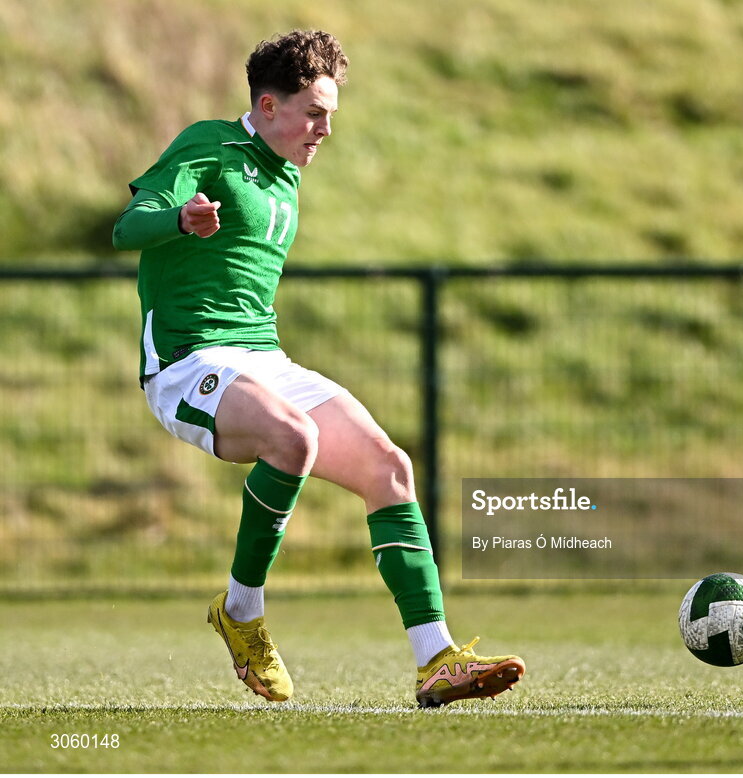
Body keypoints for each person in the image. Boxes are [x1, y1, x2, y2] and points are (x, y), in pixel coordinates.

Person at [112, 29, 524, 707]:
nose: (325, 129)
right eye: (314, 113)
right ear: (268, 106)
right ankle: (242, 614)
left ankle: (436, 659)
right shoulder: (208, 144)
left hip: (262, 358)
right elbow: (130, 225)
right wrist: (181, 219)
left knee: (390, 468)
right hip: (187, 363)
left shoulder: (284, 175)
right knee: (293, 438)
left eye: (330, 113)